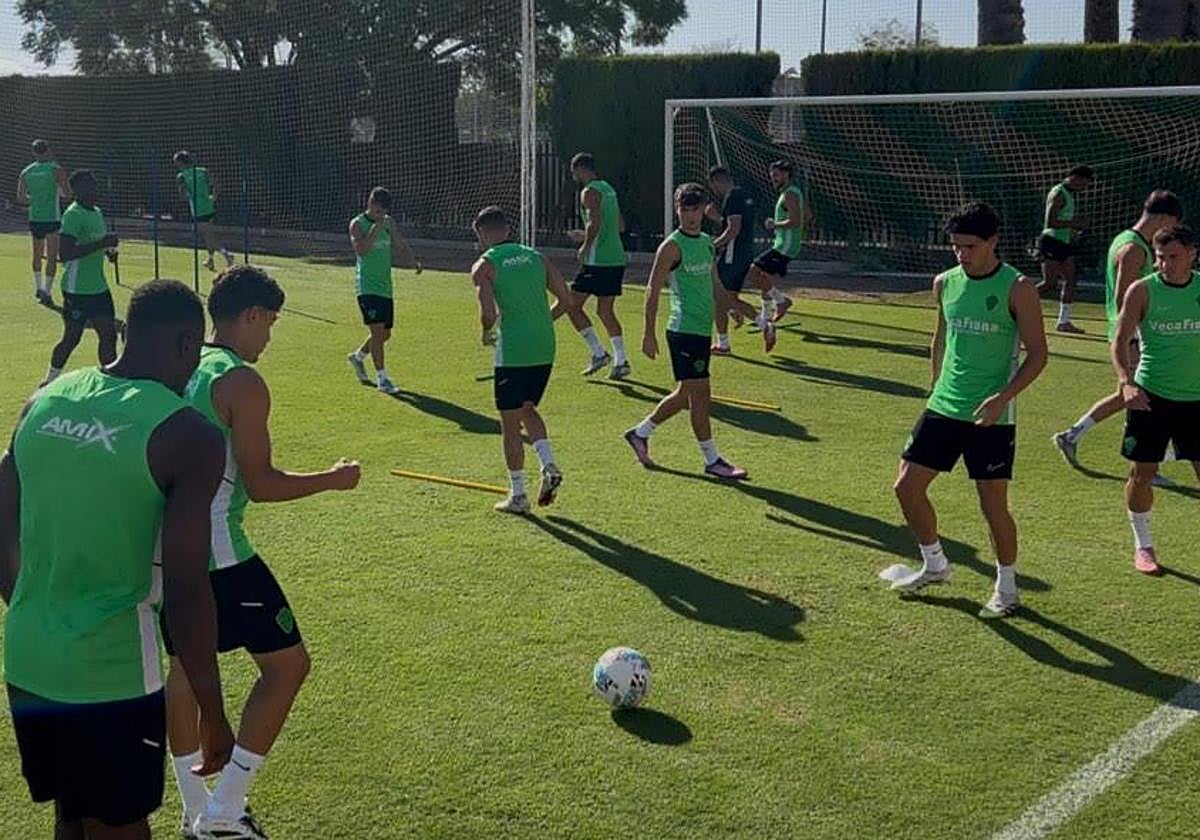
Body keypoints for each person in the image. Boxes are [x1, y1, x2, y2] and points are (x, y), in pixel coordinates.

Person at [1, 280, 234, 840]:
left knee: (71, 815)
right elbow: (185, 588)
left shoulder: (47, 399)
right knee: (119, 827)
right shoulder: (188, 434)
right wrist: (212, 709)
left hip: (30, 661)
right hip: (111, 676)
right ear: (184, 345)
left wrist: (33, 606)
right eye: (194, 356)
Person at [161, 266, 361, 839]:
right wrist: (332, 478)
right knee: (286, 666)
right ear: (249, 316)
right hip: (221, 555)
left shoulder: (178, 364)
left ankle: (195, 806)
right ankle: (225, 809)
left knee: (181, 671)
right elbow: (264, 483)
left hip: (165, 554)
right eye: (269, 323)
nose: (269, 337)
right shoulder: (241, 382)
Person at [890, 202, 1047, 618]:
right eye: (956, 246)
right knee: (906, 487)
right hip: (944, 404)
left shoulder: (1019, 288)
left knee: (992, 505)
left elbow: (1038, 355)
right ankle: (935, 564)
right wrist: (934, 386)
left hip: (992, 415)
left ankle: (1007, 588)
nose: (962, 254)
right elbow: (940, 339)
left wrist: (1002, 398)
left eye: (970, 246)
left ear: (994, 242)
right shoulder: (944, 282)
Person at [623, 184, 748, 480]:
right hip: (683, 331)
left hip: (701, 332)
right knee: (700, 397)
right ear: (677, 209)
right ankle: (712, 460)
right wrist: (648, 333)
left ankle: (640, 433)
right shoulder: (671, 246)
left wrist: (730, 307)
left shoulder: (705, 242)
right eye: (684, 209)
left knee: (684, 394)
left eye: (695, 209)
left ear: (704, 209)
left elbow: (714, 282)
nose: (690, 215)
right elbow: (652, 289)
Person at [1053, 190, 1183, 466]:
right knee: (1142, 396)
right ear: (1164, 218)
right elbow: (1124, 295)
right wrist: (1141, 331)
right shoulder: (1134, 248)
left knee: (1129, 394)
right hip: (1131, 334)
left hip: (1129, 332)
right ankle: (1148, 459)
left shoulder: (1127, 240)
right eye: (1172, 225)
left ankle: (1072, 436)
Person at [1110, 225, 1200, 576]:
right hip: (1152, 397)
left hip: (1196, 400)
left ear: (1193, 252)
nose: (1165, 264)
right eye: (1160, 258)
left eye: (1173, 257)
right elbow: (1118, 341)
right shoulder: (1142, 290)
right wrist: (1125, 383)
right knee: (1143, 472)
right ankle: (1143, 544)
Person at [471, 206, 572, 514]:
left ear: (484, 234)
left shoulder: (484, 265)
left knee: (510, 423)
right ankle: (548, 464)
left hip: (513, 350)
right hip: (544, 346)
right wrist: (540, 323)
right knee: (528, 408)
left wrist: (487, 333)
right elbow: (567, 300)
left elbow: (488, 313)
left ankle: (518, 494)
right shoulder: (536, 257)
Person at [552, 152, 631, 379]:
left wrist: (585, 244)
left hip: (598, 260)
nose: (574, 176)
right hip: (615, 258)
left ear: (580, 170)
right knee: (605, 311)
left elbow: (595, 222)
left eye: (574, 172)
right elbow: (620, 225)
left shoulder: (589, 192)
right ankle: (621, 360)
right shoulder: (609, 189)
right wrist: (588, 234)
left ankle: (598, 352)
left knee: (571, 305)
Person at [43, 169, 121, 386]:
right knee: (72, 338)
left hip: (98, 286)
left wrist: (109, 252)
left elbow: (98, 244)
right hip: (76, 289)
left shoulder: (96, 212)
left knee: (108, 335)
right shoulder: (73, 215)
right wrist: (102, 243)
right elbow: (65, 253)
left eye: (94, 184)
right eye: (87, 185)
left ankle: (110, 381)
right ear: (76, 190)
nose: (93, 189)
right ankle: (49, 379)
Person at [346, 186, 423, 395]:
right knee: (378, 332)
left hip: (385, 287)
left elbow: (399, 242)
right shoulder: (357, 224)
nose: (381, 215)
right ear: (370, 204)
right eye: (378, 210)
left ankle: (358, 356)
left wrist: (412, 259)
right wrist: (375, 228)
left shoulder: (389, 222)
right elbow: (362, 250)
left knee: (385, 334)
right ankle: (383, 379)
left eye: (384, 212)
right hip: (367, 287)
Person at [705, 165, 777, 354]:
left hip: (732, 254)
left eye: (713, 186)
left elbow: (733, 229)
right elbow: (735, 225)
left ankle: (763, 325)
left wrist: (714, 244)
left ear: (716, 181)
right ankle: (723, 342)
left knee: (721, 297)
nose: (714, 191)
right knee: (724, 299)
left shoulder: (732, 197)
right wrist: (717, 219)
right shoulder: (744, 194)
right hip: (744, 252)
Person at [744, 159, 807, 327]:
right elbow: (807, 215)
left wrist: (775, 225)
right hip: (783, 243)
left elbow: (795, 221)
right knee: (765, 278)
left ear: (787, 174)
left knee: (752, 272)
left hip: (785, 246)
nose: (774, 179)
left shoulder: (790, 194)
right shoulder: (792, 192)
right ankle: (765, 316)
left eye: (777, 175)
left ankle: (781, 301)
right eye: (772, 176)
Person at [1038, 165, 1093, 334]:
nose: (1084, 187)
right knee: (1049, 283)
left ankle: (1064, 321)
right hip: (1051, 242)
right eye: (1084, 183)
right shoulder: (1059, 193)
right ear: (1075, 177)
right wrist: (1074, 223)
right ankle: (1014, 305)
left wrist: (1072, 232)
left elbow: (1062, 221)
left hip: (1062, 242)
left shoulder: (1069, 195)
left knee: (1071, 279)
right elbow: (1050, 222)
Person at [16, 139, 70, 305]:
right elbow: (67, 194)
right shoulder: (56, 169)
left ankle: (38, 287)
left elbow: (21, 198)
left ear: (34, 153)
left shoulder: (26, 172)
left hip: (35, 218)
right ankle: (47, 291)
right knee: (52, 256)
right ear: (48, 150)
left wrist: (36, 199)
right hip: (52, 218)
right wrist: (57, 192)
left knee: (37, 255)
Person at [174, 151, 234, 272]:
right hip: (209, 206)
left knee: (208, 236)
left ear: (180, 162)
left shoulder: (181, 176)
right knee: (208, 235)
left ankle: (226, 254)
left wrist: (190, 195)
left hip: (198, 209)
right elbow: (216, 183)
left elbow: (182, 195)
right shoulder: (202, 170)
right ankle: (210, 260)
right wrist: (214, 196)